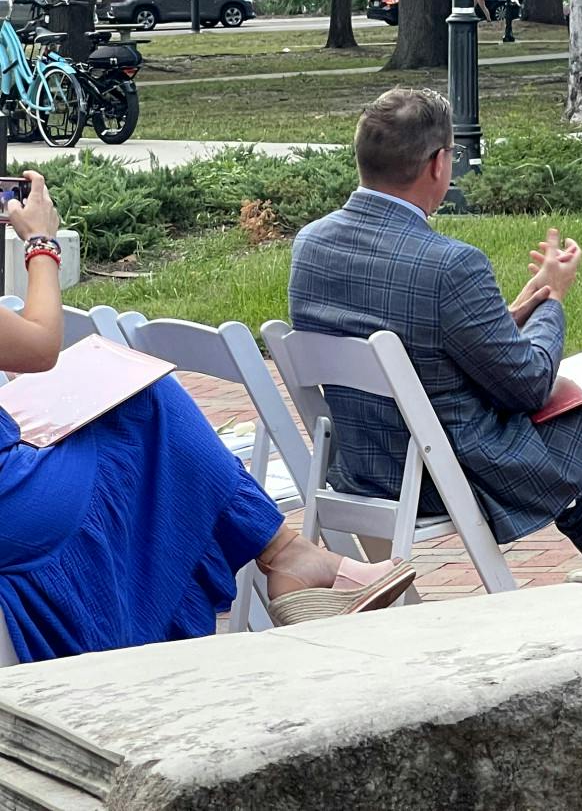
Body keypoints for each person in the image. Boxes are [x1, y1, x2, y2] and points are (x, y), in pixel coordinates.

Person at [288, 87, 582, 564]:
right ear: (439, 164)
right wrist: (554, 300)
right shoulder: (449, 266)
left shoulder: (311, 246)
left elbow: (431, 339)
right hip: (459, 472)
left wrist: (525, 302)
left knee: (576, 479)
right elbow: (530, 387)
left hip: (369, 467)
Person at [0, 171, 415, 664]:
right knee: (150, 404)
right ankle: (292, 562)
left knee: (137, 410)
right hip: (13, 509)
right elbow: (40, 344)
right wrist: (41, 240)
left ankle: (294, 559)